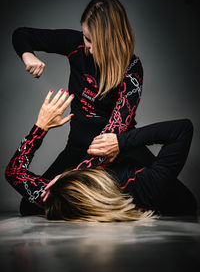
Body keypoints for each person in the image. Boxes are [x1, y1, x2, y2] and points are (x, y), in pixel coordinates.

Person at [12, 0, 196, 216]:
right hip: (78, 149)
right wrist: (27, 55)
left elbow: (112, 135)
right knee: (31, 205)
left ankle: (114, 205)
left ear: (110, 40)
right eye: (84, 37)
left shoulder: (132, 67)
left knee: (184, 203)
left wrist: (71, 180)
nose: (86, 46)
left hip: (118, 148)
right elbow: (22, 34)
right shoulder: (77, 45)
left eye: (91, 40)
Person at [5, 90, 197, 221]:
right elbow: (182, 129)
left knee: (27, 206)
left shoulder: (63, 201)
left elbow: (13, 173)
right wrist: (121, 142)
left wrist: (41, 126)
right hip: (175, 199)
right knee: (186, 203)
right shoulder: (146, 187)